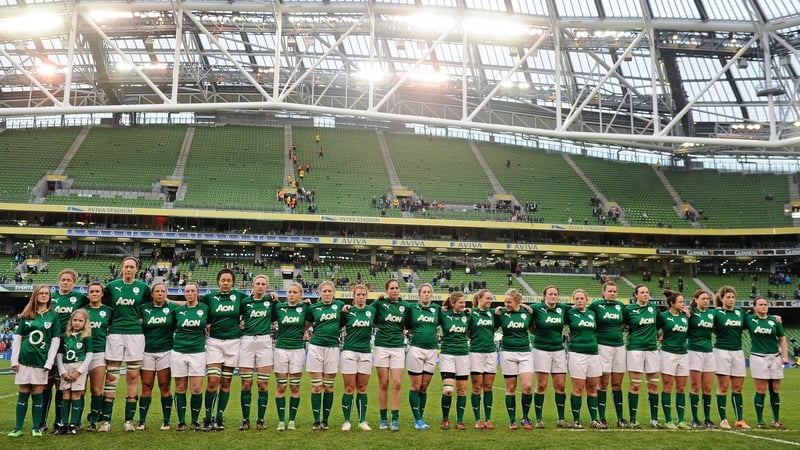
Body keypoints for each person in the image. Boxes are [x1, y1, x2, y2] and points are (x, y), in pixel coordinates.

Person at [101, 256, 152, 432]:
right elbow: (100, 301)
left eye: (132, 267)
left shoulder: (143, 288)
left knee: (132, 377)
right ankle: (106, 421)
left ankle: (128, 421)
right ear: (121, 268)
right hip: (115, 333)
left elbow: (152, 306)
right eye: (126, 266)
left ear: (137, 269)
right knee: (111, 377)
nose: (128, 269)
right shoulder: (111, 286)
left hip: (135, 334)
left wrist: (143, 318)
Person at [8, 284, 61, 438]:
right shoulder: (27, 314)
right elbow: (18, 338)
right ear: (35, 296)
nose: (44, 295)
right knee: (23, 393)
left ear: (49, 297)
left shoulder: (53, 316)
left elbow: (55, 340)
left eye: (46, 293)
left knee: (38, 393)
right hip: (24, 360)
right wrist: (14, 360)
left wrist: (49, 362)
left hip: (41, 361)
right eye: (41, 293)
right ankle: (17, 428)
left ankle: (36, 427)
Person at [200, 268, 248, 431]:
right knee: (213, 381)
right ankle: (208, 417)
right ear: (218, 282)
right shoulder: (209, 298)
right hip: (214, 342)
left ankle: (219, 417)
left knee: (226, 382)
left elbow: (255, 304)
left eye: (229, 280)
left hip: (233, 342)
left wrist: (272, 297)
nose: (226, 283)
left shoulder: (240, 297)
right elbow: (196, 309)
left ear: (233, 282)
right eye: (223, 280)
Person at [44, 269, 88, 432]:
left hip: (71, 344)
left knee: (72, 387)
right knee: (47, 385)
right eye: (63, 279)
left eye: (69, 280)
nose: (65, 282)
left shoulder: (80, 297)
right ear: (58, 281)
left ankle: (73, 422)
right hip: (50, 343)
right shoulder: (51, 297)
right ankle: (45, 422)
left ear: (74, 282)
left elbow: (93, 304)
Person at [306, 280, 346, 430]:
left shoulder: (340, 305)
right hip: (316, 347)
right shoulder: (313, 308)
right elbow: (305, 325)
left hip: (332, 348)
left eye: (330, 291)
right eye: (324, 291)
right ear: (320, 293)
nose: (327, 293)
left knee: (328, 387)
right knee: (317, 386)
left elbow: (343, 322)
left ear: (334, 293)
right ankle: (316, 421)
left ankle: (325, 420)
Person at [238, 274, 276, 431]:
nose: (260, 286)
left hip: (265, 341)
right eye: (258, 283)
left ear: (267, 287)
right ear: (253, 285)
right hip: (247, 341)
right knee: (246, 383)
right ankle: (245, 420)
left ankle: (260, 420)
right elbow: (235, 318)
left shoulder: (271, 302)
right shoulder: (244, 302)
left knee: (262, 384)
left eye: (263, 284)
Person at [588, 281, 627, 428]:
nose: (612, 293)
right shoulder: (596, 305)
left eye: (614, 291)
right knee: (603, 383)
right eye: (609, 291)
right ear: (603, 292)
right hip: (603, 346)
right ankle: (602, 417)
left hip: (619, 347)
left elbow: (625, 322)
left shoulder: (620, 306)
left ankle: (620, 418)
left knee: (617, 384)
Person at [138, 282, 176, 431]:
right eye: (157, 291)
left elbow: (187, 306)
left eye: (163, 291)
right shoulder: (143, 308)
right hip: (146, 351)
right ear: (152, 294)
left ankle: (166, 421)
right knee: (146, 386)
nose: (160, 293)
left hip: (166, 351)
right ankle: (142, 421)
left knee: (164, 386)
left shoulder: (172, 308)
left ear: (166, 294)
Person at [273, 281, 311, 431]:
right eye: (290, 292)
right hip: (281, 349)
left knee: (295, 386)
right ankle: (281, 420)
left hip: (297, 350)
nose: (292, 294)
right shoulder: (279, 307)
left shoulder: (305, 307)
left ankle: (292, 420)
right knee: (281, 386)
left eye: (295, 292)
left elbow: (307, 324)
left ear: (301, 295)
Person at [494, 288, 533, 430]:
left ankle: (525, 417)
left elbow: (534, 327)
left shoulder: (527, 312)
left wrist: (524, 306)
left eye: (509, 302)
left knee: (527, 387)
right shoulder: (501, 313)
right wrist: (496, 311)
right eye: (505, 302)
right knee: (510, 388)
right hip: (508, 353)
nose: (506, 304)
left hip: (525, 353)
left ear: (517, 301)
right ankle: (512, 420)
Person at [372, 278, 409, 431]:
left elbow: (412, 322)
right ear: (386, 290)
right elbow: (367, 312)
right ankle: (383, 419)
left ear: (399, 289)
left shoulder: (406, 306)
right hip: (381, 346)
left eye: (396, 288)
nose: (394, 290)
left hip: (398, 347)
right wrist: (376, 300)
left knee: (397, 383)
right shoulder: (380, 304)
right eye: (391, 288)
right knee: (384, 383)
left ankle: (394, 419)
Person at [529, 285, 569, 428]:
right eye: (550, 294)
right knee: (542, 385)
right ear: (544, 296)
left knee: (560, 386)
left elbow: (576, 314)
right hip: (541, 350)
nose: (553, 296)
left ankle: (561, 419)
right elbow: (525, 316)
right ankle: (539, 419)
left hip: (558, 350)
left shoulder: (563, 308)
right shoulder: (536, 308)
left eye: (555, 294)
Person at [565, 289, 604, 429]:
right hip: (577, 353)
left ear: (587, 300)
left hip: (593, 353)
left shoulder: (593, 314)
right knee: (578, 388)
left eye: (582, 298)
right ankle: (576, 420)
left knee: (593, 388)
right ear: (573, 301)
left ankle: (594, 420)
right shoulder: (569, 313)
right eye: (576, 299)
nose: (579, 301)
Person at [747, 296, 789, 429]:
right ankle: (760, 420)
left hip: (775, 356)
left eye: (765, 304)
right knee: (761, 389)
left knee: (775, 389)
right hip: (758, 356)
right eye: (760, 304)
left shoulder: (774, 320)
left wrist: (785, 356)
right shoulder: (749, 320)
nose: (764, 306)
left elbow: (782, 339)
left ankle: (776, 420)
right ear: (754, 307)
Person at [623, 285, 661, 429]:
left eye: (647, 292)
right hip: (635, 349)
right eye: (642, 292)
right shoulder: (629, 309)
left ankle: (654, 419)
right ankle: (633, 419)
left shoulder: (653, 308)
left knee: (654, 385)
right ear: (635, 295)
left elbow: (660, 323)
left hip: (652, 349)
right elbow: (623, 324)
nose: (646, 294)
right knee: (635, 385)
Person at [171, 282, 208, 431]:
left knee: (196, 388)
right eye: (187, 291)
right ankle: (181, 421)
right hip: (179, 351)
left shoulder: (205, 308)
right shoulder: (177, 311)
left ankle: (195, 421)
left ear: (197, 293)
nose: (190, 293)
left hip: (198, 352)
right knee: (180, 387)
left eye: (192, 291)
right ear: (184, 294)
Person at [712, 285, 749, 429]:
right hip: (721, 351)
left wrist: (773, 318)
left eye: (733, 297)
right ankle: (723, 419)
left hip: (738, 351)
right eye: (728, 297)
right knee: (723, 387)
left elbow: (754, 321)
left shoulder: (740, 312)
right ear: (721, 298)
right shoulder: (716, 313)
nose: (731, 299)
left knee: (738, 388)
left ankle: (740, 420)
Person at [339, 284, 375, 431]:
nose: (360, 297)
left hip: (365, 352)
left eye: (363, 294)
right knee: (349, 388)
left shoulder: (372, 310)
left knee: (362, 388)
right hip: (349, 352)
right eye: (358, 294)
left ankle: (362, 421)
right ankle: (347, 421)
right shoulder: (347, 311)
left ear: (367, 296)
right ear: (353, 296)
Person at [405, 283, 439, 430]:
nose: (426, 294)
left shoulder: (437, 309)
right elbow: (406, 324)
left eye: (428, 292)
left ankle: (421, 418)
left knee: (424, 387)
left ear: (431, 294)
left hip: (432, 351)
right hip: (416, 349)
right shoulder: (412, 308)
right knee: (416, 386)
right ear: (419, 294)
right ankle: (417, 419)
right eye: (423, 292)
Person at [657, 289, 692, 430]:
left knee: (681, 388)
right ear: (672, 303)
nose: (683, 304)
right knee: (667, 386)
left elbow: (688, 333)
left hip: (683, 353)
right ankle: (668, 420)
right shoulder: (663, 316)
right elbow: (653, 329)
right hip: (668, 353)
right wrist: (660, 337)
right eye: (680, 302)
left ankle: (681, 420)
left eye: (683, 302)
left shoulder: (685, 317)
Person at [55, 309, 93, 435]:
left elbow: (89, 356)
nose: (77, 323)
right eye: (75, 320)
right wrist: (62, 372)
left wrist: (79, 372)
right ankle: (64, 423)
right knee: (65, 395)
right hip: (66, 367)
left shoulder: (86, 337)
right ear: (71, 321)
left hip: (79, 367)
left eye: (80, 320)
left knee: (76, 395)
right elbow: (59, 355)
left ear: (85, 322)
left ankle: (73, 424)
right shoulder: (64, 336)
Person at [438, 292, 470, 430]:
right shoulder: (443, 314)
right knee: (448, 390)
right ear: (453, 303)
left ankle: (460, 421)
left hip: (463, 355)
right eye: (461, 302)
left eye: (464, 302)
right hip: (447, 355)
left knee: (462, 390)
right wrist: (442, 308)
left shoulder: (468, 315)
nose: (463, 305)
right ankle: (445, 419)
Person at [84, 282, 113, 432]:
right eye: (92, 291)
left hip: (99, 353)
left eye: (97, 291)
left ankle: (94, 421)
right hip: (81, 353)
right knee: (80, 390)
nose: (94, 294)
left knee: (96, 389)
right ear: (88, 294)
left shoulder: (108, 311)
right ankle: (75, 421)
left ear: (102, 294)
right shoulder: (81, 311)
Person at [687, 289, 716, 429]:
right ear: (696, 300)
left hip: (709, 351)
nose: (706, 301)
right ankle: (694, 419)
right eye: (703, 298)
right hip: (694, 350)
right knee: (695, 386)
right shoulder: (690, 313)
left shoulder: (712, 313)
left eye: (707, 299)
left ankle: (707, 419)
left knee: (708, 388)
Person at [468, 289, 497, 430]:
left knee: (488, 386)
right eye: (487, 298)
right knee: (477, 386)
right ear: (479, 298)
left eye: (491, 298)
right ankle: (477, 419)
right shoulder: (471, 313)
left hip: (490, 352)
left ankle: (488, 419)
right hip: (476, 352)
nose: (490, 301)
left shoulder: (493, 313)